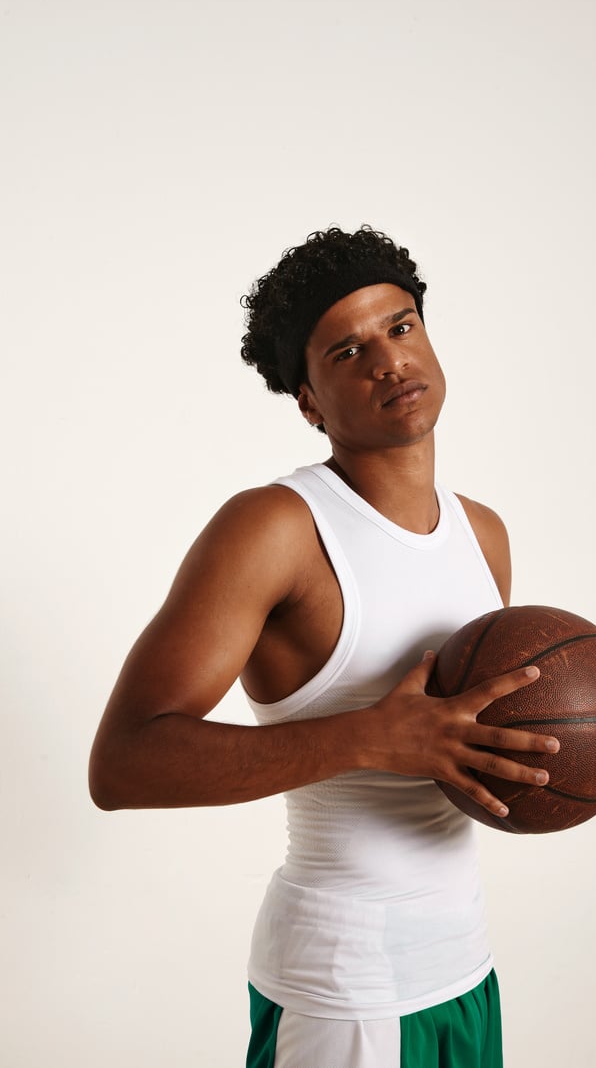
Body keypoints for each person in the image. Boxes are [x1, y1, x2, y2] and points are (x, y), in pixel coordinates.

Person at [89, 226, 560, 1068]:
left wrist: (573, 714)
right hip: (348, 994)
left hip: (463, 967)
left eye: (400, 326)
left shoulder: (482, 533)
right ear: (308, 401)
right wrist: (366, 739)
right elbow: (123, 764)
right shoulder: (274, 527)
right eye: (347, 350)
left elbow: (470, 747)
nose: (387, 360)